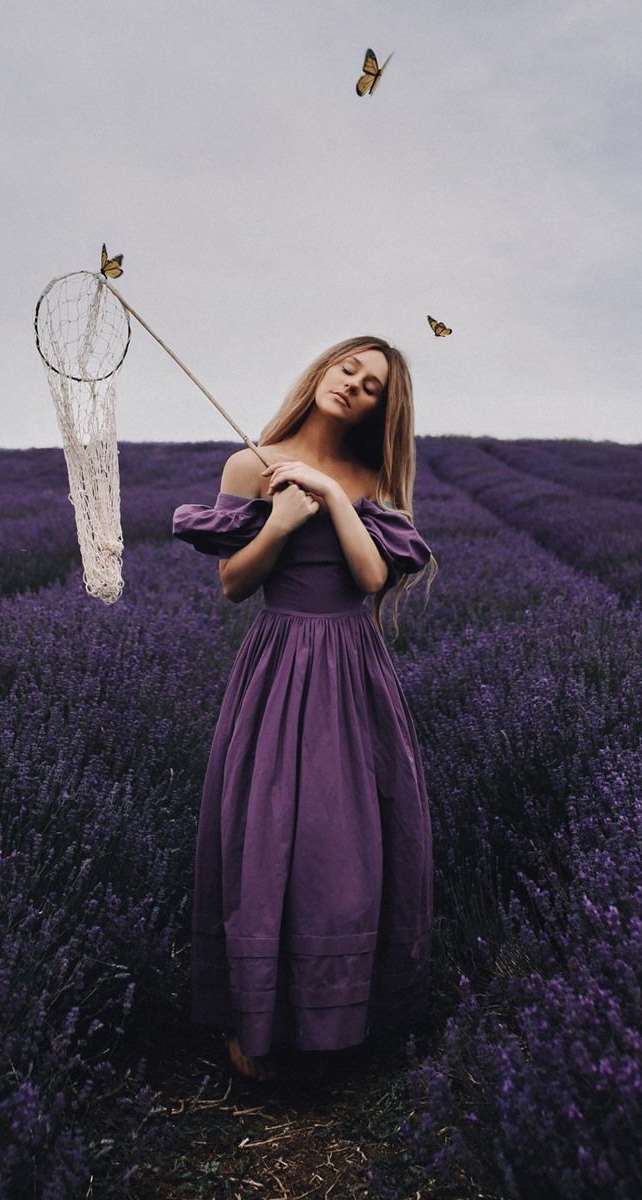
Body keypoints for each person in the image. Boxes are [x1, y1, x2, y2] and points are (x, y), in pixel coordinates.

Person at [171, 335, 438, 1082]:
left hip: (353, 668)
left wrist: (326, 495)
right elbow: (232, 583)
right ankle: (256, 1024)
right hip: (280, 664)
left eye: (374, 385)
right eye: (348, 368)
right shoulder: (252, 463)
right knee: (267, 833)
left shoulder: (372, 472)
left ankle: (344, 1019)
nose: (355, 386)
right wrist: (281, 521)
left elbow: (370, 575)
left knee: (344, 840)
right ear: (323, 371)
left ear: (384, 407)